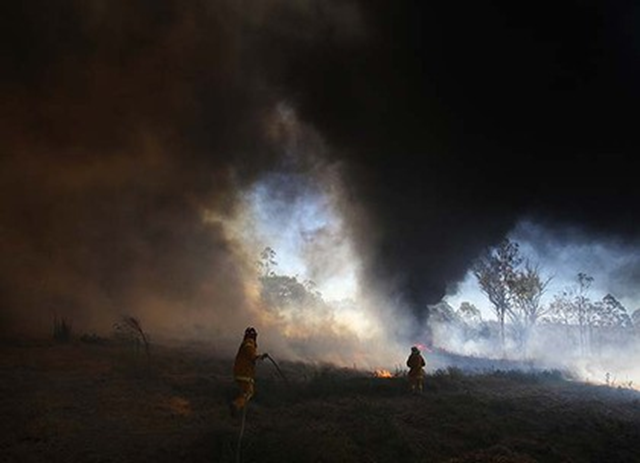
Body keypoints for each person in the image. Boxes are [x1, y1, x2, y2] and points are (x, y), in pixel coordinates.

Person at [230, 326, 268, 417]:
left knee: (244, 393)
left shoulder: (246, 343)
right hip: (244, 374)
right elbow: (252, 356)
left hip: (241, 373)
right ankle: (236, 405)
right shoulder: (249, 344)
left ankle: (239, 409)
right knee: (249, 392)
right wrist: (261, 356)